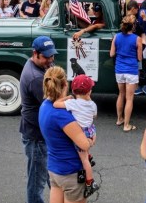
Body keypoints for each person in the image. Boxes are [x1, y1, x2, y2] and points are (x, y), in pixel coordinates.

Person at [39, 66, 96, 203]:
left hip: (54, 169)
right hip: (71, 172)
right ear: (65, 84)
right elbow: (83, 144)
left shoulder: (44, 106)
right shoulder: (64, 116)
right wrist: (92, 138)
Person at [20, 35, 57, 203]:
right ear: (35, 53)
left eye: (52, 55)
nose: (50, 60)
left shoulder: (40, 66)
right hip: (36, 136)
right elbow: (53, 103)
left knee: (51, 175)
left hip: (40, 133)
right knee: (36, 182)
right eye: (46, 57)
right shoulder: (35, 78)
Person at [52, 74, 100, 197]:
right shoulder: (92, 104)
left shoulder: (73, 103)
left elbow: (55, 104)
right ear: (89, 91)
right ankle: (88, 155)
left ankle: (90, 182)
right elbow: (94, 116)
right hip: (90, 130)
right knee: (85, 153)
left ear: (73, 90)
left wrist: (67, 97)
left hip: (81, 133)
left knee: (83, 161)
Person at [110, 15, 141, 132]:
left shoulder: (116, 37)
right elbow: (139, 58)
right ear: (133, 26)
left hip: (119, 69)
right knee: (129, 98)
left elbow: (112, 54)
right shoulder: (137, 38)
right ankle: (126, 125)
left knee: (121, 95)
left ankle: (119, 119)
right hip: (131, 70)